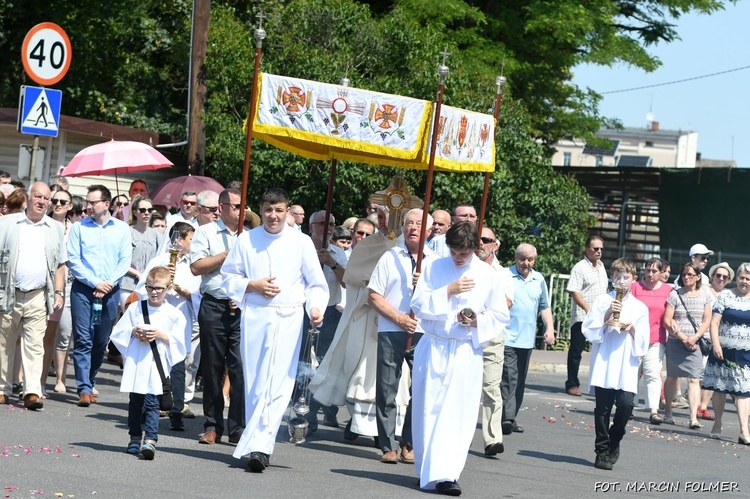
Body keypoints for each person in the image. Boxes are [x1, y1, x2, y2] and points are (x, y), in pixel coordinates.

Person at [220, 187, 328, 472]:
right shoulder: (247, 240)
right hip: (256, 315)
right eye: (268, 210)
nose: (273, 216)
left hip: (289, 317)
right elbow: (228, 275)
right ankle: (256, 440)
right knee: (256, 381)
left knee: (278, 381)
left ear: (287, 211)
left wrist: (315, 308)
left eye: (279, 210)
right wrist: (252, 285)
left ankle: (261, 447)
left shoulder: (301, 241)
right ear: (261, 210)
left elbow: (315, 283)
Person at [410, 221, 509, 495]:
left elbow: (500, 315)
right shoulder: (434, 267)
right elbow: (417, 305)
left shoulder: (487, 275)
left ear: (475, 248)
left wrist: (477, 320)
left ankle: (448, 474)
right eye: (453, 251)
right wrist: (448, 291)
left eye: (463, 253)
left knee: (458, 414)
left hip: (465, 351)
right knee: (428, 409)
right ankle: (426, 470)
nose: (457, 257)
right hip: (434, 347)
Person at [310, 205, 400, 445]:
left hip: (397, 319)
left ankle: (386, 428)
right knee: (360, 369)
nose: (383, 223)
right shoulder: (368, 247)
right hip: (365, 313)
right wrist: (375, 287)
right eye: (380, 217)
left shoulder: (407, 247)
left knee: (391, 376)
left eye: (388, 218)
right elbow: (352, 279)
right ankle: (358, 422)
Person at [369, 209, 435, 464]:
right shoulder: (389, 257)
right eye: (409, 223)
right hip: (392, 329)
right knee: (386, 388)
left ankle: (408, 441)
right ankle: (387, 445)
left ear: (430, 230)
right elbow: (374, 295)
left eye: (419, 224)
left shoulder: (436, 262)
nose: (413, 228)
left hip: (422, 333)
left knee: (419, 388)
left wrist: (426, 285)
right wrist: (399, 318)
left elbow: (443, 299)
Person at [0, 183, 66, 408]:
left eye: (46, 198)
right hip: (9, 292)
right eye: (37, 196)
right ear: (27, 198)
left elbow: (60, 264)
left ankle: (31, 392)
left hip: (39, 294)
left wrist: (58, 291)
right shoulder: (8, 223)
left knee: (35, 345)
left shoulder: (55, 228)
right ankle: (3, 389)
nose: (42, 202)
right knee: (4, 343)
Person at [110, 266, 187, 460]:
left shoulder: (173, 313)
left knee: (153, 402)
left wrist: (161, 335)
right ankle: (134, 437)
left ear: (169, 288)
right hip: (137, 361)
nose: (154, 292)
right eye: (150, 287)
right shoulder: (136, 308)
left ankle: (151, 439)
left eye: (159, 288)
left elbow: (180, 341)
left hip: (156, 364)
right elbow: (119, 331)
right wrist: (133, 332)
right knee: (135, 401)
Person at [67, 184, 132, 407]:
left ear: (106, 204)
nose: (88, 206)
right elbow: (74, 260)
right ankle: (83, 388)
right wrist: (95, 282)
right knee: (83, 338)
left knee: (101, 340)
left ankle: (91, 380)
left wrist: (108, 284)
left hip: (110, 291)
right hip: (84, 290)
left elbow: (124, 261)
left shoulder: (122, 229)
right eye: (87, 202)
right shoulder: (79, 228)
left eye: (93, 202)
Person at [582, 257, 649, 470]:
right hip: (605, 360)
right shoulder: (603, 301)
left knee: (626, 405)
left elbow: (644, 341)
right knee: (602, 408)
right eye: (617, 276)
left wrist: (631, 328)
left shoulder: (640, 307)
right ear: (612, 278)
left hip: (625, 363)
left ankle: (615, 437)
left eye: (626, 277)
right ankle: (601, 450)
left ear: (634, 280)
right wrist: (608, 314)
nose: (621, 281)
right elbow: (590, 331)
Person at [190, 188, 245, 445]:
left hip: (242, 308)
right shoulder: (205, 232)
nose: (240, 211)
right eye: (235, 206)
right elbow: (196, 267)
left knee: (239, 367)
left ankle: (238, 427)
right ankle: (212, 425)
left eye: (243, 206)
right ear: (221, 207)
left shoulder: (251, 236)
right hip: (213, 305)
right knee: (212, 367)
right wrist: (225, 255)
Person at [135, 222, 200, 431]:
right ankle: (149, 407)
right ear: (179, 240)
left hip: (180, 319)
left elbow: (198, 293)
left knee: (178, 367)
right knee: (153, 365)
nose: (194, 243)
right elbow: (141, 290)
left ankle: (177, 410)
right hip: (158, 318)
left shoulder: (193, 264)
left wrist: (181, 289)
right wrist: (160, 284)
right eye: (191, 238)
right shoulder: (159, 261)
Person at [501, 243, 555, 436]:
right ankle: (506, 418)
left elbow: (544, 306)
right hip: (507, 337)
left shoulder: (539, 279)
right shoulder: (505, 275)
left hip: (527, 339)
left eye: (530, 259)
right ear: (516, 258)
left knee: (520, 380)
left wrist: (550, 328)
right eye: (522, 259)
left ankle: (511, 417)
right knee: (509, 377)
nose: (526, 263)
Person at [303, 210, 348, 431]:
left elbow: (348, 282)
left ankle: (320, 409)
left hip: (330, 314)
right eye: (322, 223)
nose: (327, 228)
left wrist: (332, 263)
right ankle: (305, 414)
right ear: (311, 227)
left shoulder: (338, 253)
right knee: (304, 363)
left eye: (331, 224)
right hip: (304, 313)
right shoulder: (301, 249)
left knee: (324, 364)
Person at [474, 226, 514, 455]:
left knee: (490, 387)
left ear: (495, 245)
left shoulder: (504, 273)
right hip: (466, 333)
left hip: (491, 334)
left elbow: (508, 302)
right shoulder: (466, 265)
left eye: (486, 239)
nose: (481, 243)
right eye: (478, 238)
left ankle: (492, 439)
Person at [702, 263, 750, 444]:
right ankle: (717, 423)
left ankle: (744, 431)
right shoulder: (726, 295)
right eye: (741, 278)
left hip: (746, 353)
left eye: (747, 279)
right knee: (720, 388)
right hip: (723, 350)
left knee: (744, 391)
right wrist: (716, 344)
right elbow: (714, 323)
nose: (743, 281)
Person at [662, 261, 713, 429]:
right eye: (684, 274)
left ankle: (693, 418)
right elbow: (667, 320)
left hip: (696, 343)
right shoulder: (675, 295)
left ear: (698, 277)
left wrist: (695, 337)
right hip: (677, 341)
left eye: (690, 274)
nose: (686, 277)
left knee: (693, 379)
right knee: (672, 376)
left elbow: (707, 320)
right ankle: (668, 412)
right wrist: (684, 338)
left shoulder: (705, 294)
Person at [629, 257, 671, 424]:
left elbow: (670, 314)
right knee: (632, 374)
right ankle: (628, 407)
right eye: (648, 270)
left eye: (654, 271)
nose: (650, 274)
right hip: (633, 338)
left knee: (653, 375)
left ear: (661, 273)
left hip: (656, 338)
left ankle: (653, 410)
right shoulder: (635, 287)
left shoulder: (668, 290)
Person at [565, 235, 608, 396]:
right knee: (576, 351)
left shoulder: (602, 266)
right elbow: (574, 292)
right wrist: (588, 309)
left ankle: (599, 384)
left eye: (601, 249)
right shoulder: (580, 267)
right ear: (587, 249)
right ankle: (571, 383)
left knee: (600, 351)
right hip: (582, 316)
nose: (598, 252)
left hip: (601, 317)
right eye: (595, 248)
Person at [40, 188, 73, 396]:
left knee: (59, 334)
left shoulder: (75, 229)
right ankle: (33, 380)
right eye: (55, 200)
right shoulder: (43, 223)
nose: (58, 203)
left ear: (70, 206)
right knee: (38, 334)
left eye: (63, 201)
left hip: (65, 286)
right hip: (40, 283)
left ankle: (54, 379)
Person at [697, 262, 736, 420]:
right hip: (702, 337)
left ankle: (703, 406)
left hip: (718, 339)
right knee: (699, 373)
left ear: (728, 279)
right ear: (712, 276)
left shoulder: (730, 295)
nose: (720, 278)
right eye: (718, 275)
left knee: (712, 374)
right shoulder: (704, 290)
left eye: (724, 277)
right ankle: (696, 404)